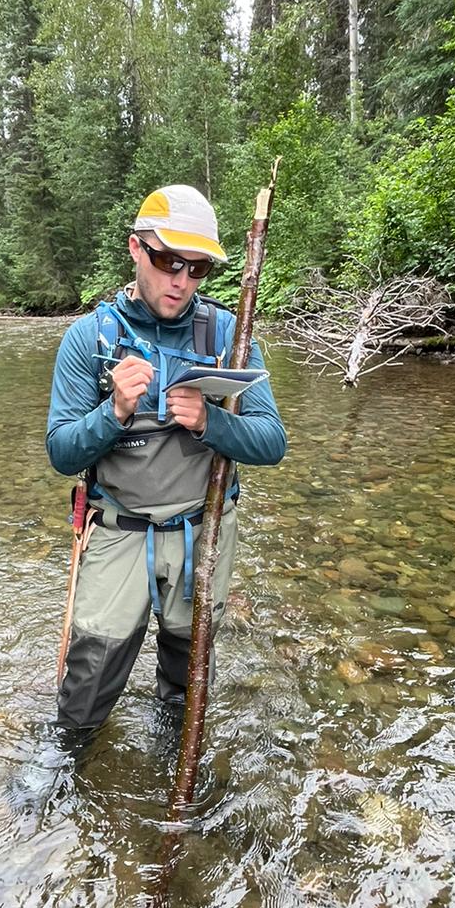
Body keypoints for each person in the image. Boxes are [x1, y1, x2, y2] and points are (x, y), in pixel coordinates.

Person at [46, 184, 287, 738]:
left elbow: (272, 442)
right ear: (135, 250)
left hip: (203, 533)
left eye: (197, 268)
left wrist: (211, 422)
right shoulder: (89, 337)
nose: (180, 281)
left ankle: (172, 757)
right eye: (166, 260)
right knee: (90, 674)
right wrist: (115, 411)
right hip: (119, 530)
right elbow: (62, 453)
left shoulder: (231, 333)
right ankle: (63, 759)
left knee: (186, 679)